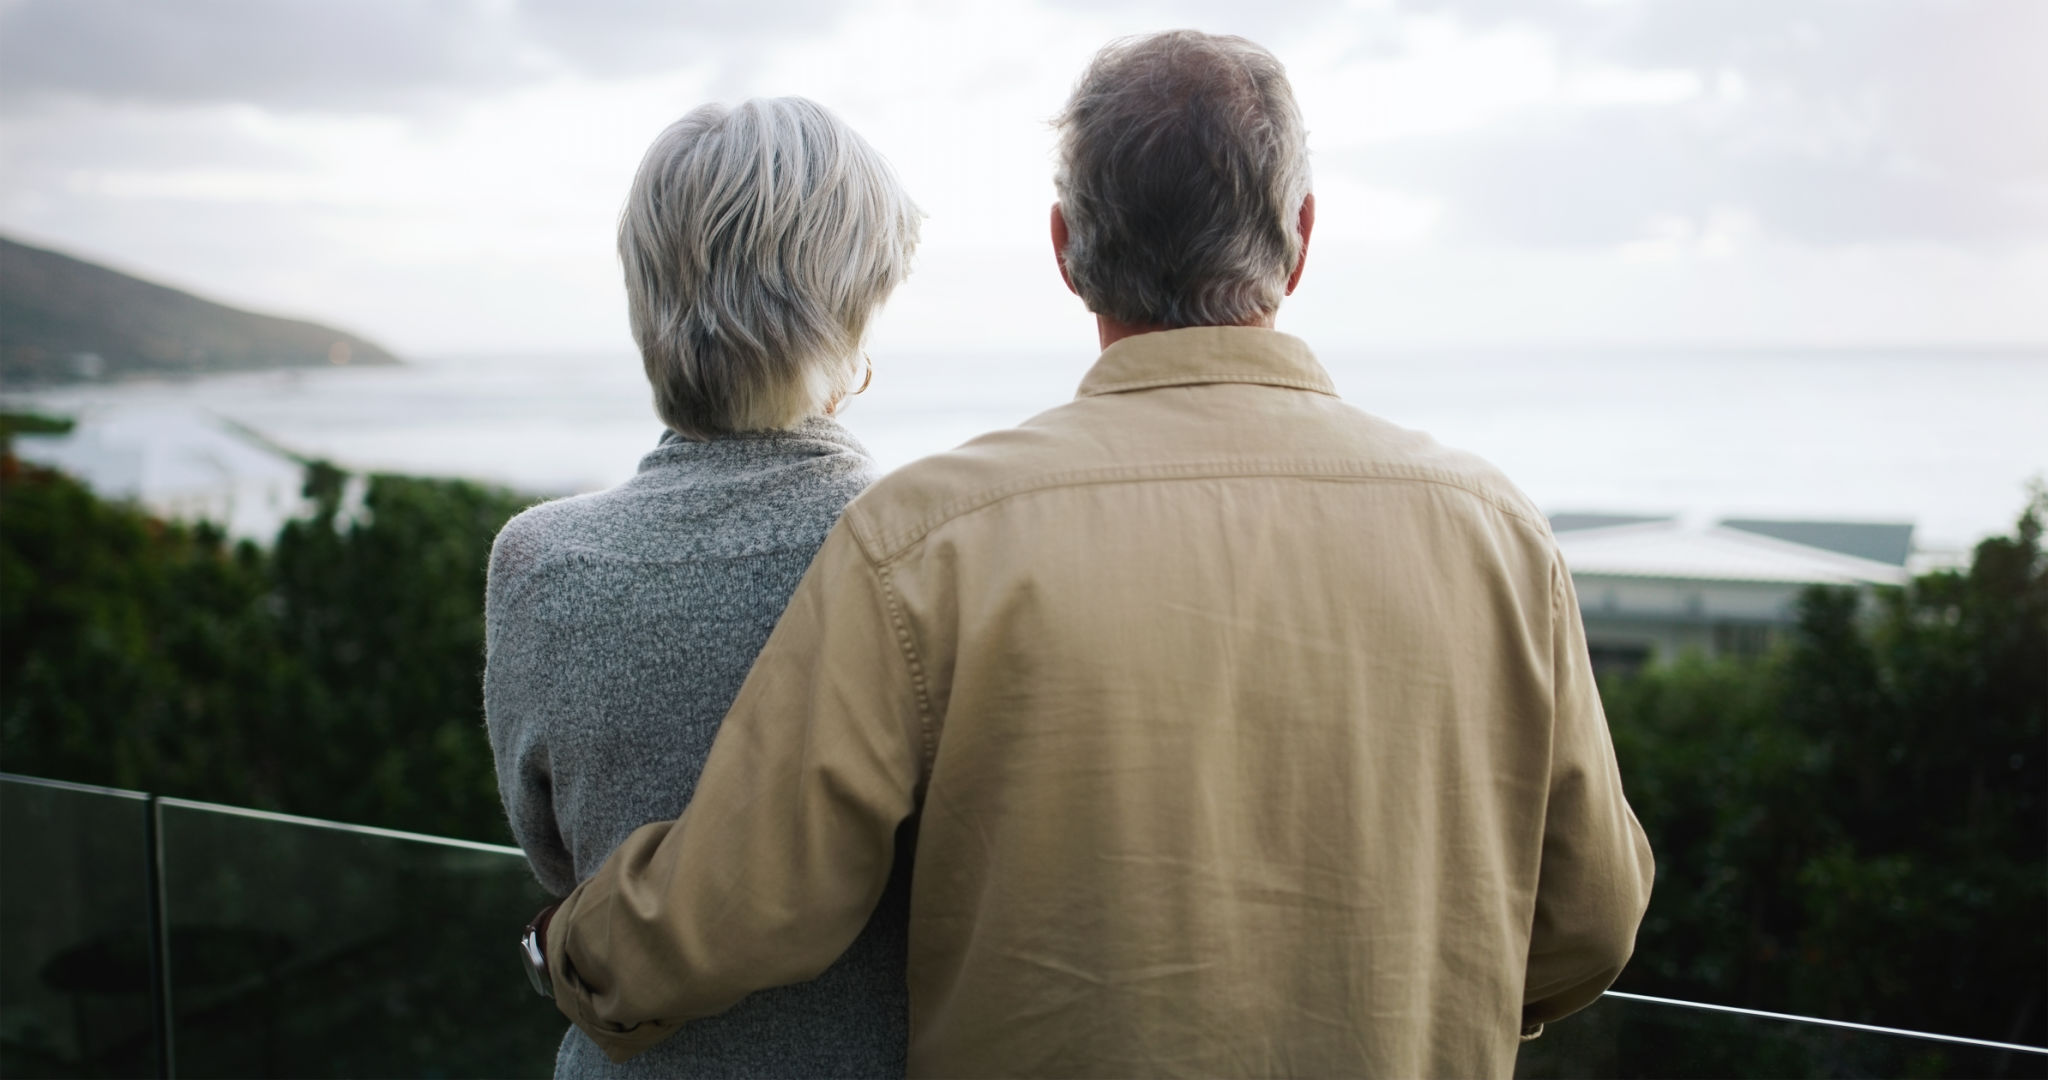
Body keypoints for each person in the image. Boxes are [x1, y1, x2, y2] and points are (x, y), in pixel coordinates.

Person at [534, 31, 1654, 1078]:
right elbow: (1592, 917)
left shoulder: (930, 541)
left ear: (1067, 250)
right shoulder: (1492, 532)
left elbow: (745, 903)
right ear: (1300, 237)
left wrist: (568, 950)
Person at [485, 97, 921, 1078]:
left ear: (644, 286)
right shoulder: (924, 550)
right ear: (857, 296)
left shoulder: (537, 566)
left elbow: (560, 871)